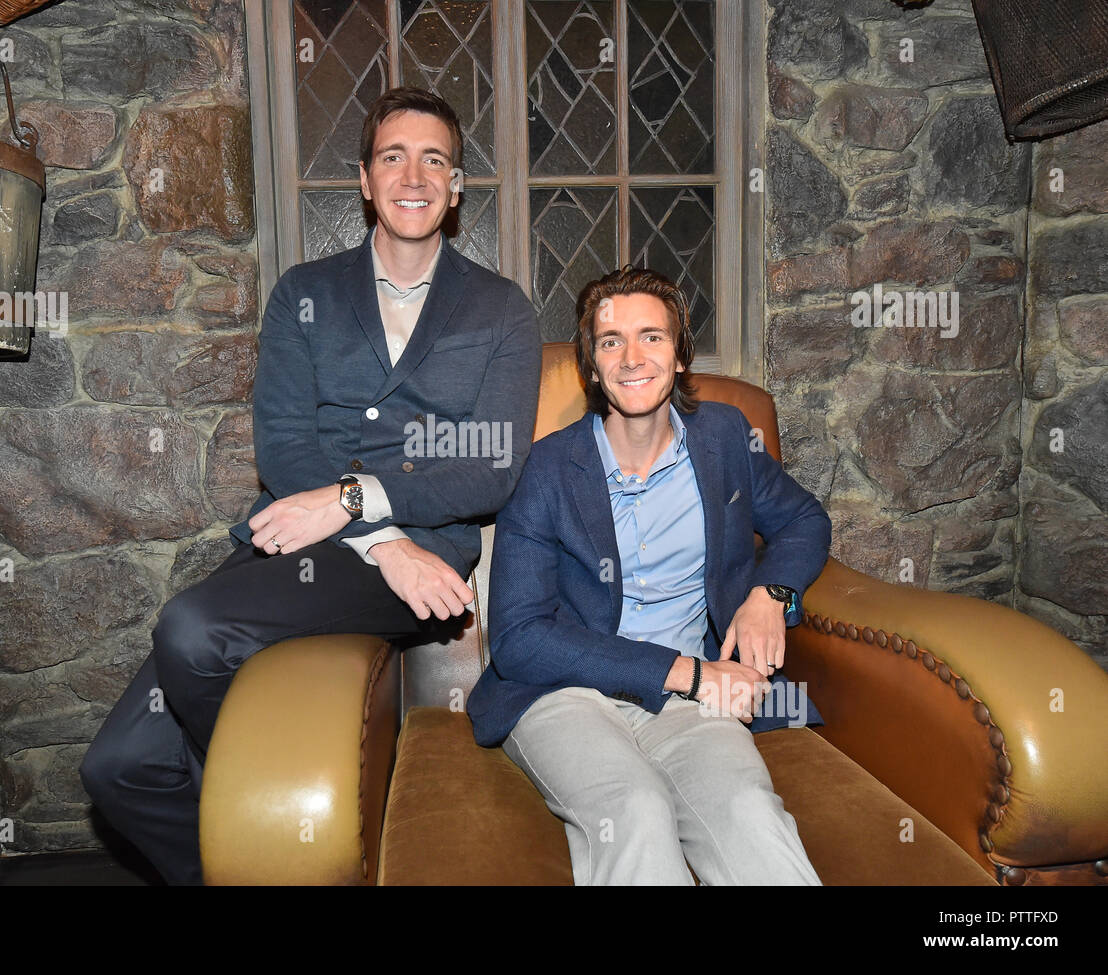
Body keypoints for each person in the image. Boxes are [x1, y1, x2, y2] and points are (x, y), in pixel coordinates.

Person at [80, 88, 542, 884]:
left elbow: (492, 465)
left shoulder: (503, 312)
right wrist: (379, 536)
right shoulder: (304, 293)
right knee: (117, 766)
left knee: (191, 628)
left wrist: (358, 502)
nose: (413, 174)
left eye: (435, 159)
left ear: (458, 185)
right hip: (311, 540)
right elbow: (286, 448)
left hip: (425, 566)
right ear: (364, 178)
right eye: (392, 155)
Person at [466, 266, 830, 886]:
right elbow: (520, 638)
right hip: (564, 693)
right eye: (611, 341)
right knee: (634, 809)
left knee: (746, 808)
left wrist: (771, 595)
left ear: (682, 353)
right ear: (590, 364)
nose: (632, 357)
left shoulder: (724, 439)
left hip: (693, 702)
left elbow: (803, 519)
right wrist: (687, 673)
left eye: (652, 337)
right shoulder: (549, 468)